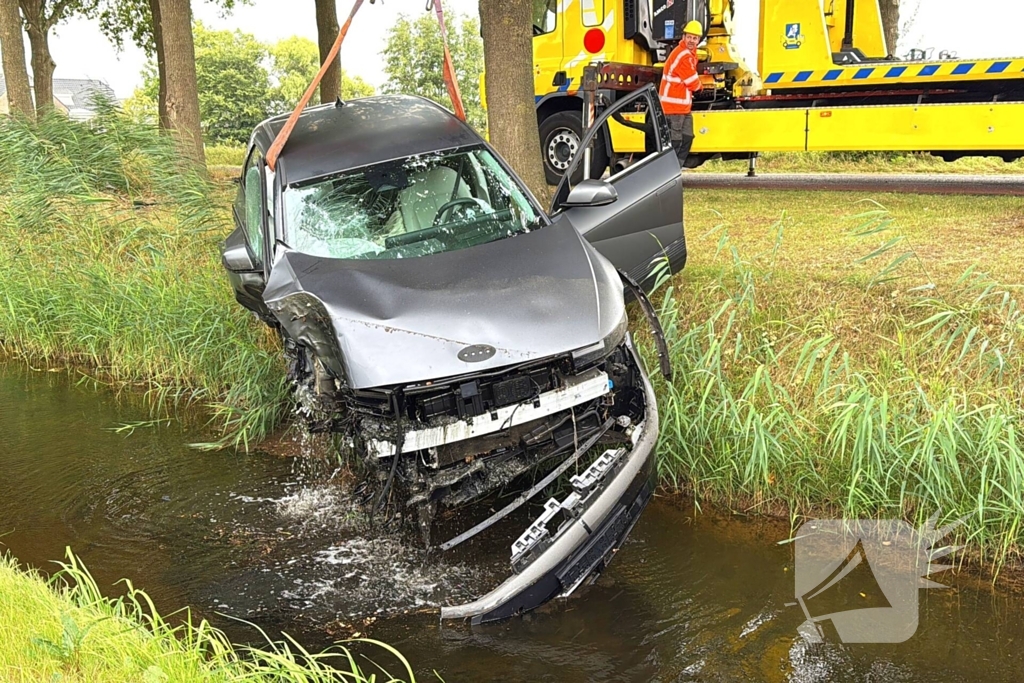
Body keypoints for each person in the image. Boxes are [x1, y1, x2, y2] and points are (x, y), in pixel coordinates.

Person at [659, 20, 704, 167]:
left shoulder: (689, 54)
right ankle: (669, 172)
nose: (692, 40)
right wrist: (701, 87)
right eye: (689, 37)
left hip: (683, 107)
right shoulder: (683, 55)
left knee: (688, 137)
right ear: (684, 37)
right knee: (676, 141)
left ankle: (675, 170)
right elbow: (692, 82)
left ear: (698, 40)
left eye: (695, 38)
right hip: (673, 107)